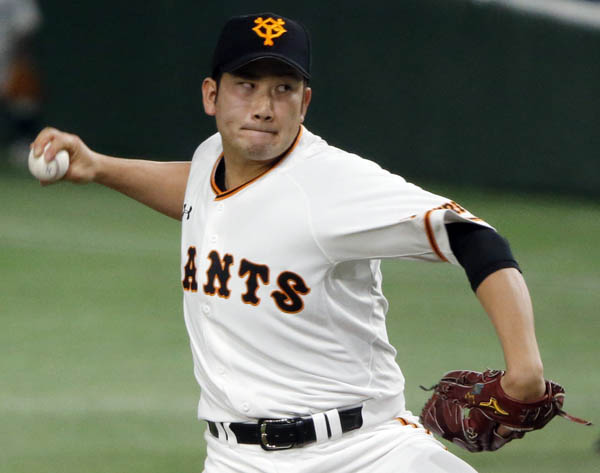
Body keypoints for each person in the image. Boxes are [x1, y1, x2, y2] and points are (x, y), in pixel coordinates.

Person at [32, 12, 547, 473]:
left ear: (305, 102)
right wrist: (100, 167)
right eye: (246, 85)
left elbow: (474, 238)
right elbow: (200, 193)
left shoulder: (332, 183)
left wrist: (524, 370)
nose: (263, 106)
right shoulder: (213, 159)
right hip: (234, 458)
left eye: (283, 88)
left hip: (365, 451)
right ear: (211, 95)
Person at [0, 0, 42, 163]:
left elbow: (27, 25)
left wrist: (21, 61)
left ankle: (24, 144)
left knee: (24, 100)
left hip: (8, 58)